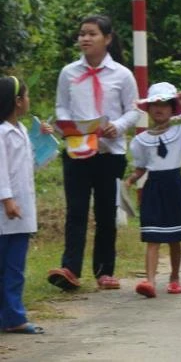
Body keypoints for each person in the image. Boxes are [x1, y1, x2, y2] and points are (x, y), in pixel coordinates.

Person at [48, 15, 140, 291]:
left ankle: (104, 270)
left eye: (92, 34)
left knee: (104, 211)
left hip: (109, 152)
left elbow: (134, 110)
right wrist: (69, 125)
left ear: (107, 38)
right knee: (75, 210)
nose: (85, 39)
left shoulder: (122, 74)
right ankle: (70, 269)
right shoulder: (69, 73)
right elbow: (61, 106)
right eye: (81, 34)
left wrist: (118, 126)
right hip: (77, 151)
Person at [126, 83, 181, 298]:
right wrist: (131, 180)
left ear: (172, 109)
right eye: (155, 105)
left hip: (175, 186)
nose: (159, 109)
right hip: (154, 188)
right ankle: (150, 281)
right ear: (148, 109)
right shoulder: (140, 141)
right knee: (153, 236)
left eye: (165, 105)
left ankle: (175, 277)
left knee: (174, 236)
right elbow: (142, 167)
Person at [0, 77, 45, 334]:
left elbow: (31, 165)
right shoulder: (1, 132)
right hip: (9, 212)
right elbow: (1, 170)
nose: (29, 101)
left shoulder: (22, 131)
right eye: (27, 96)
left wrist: (41, 139)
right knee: (10, 268)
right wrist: (7, 200)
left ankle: (9, 315)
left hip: (21, 211)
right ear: (17, 102)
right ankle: (14, 317)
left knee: (12, 267)